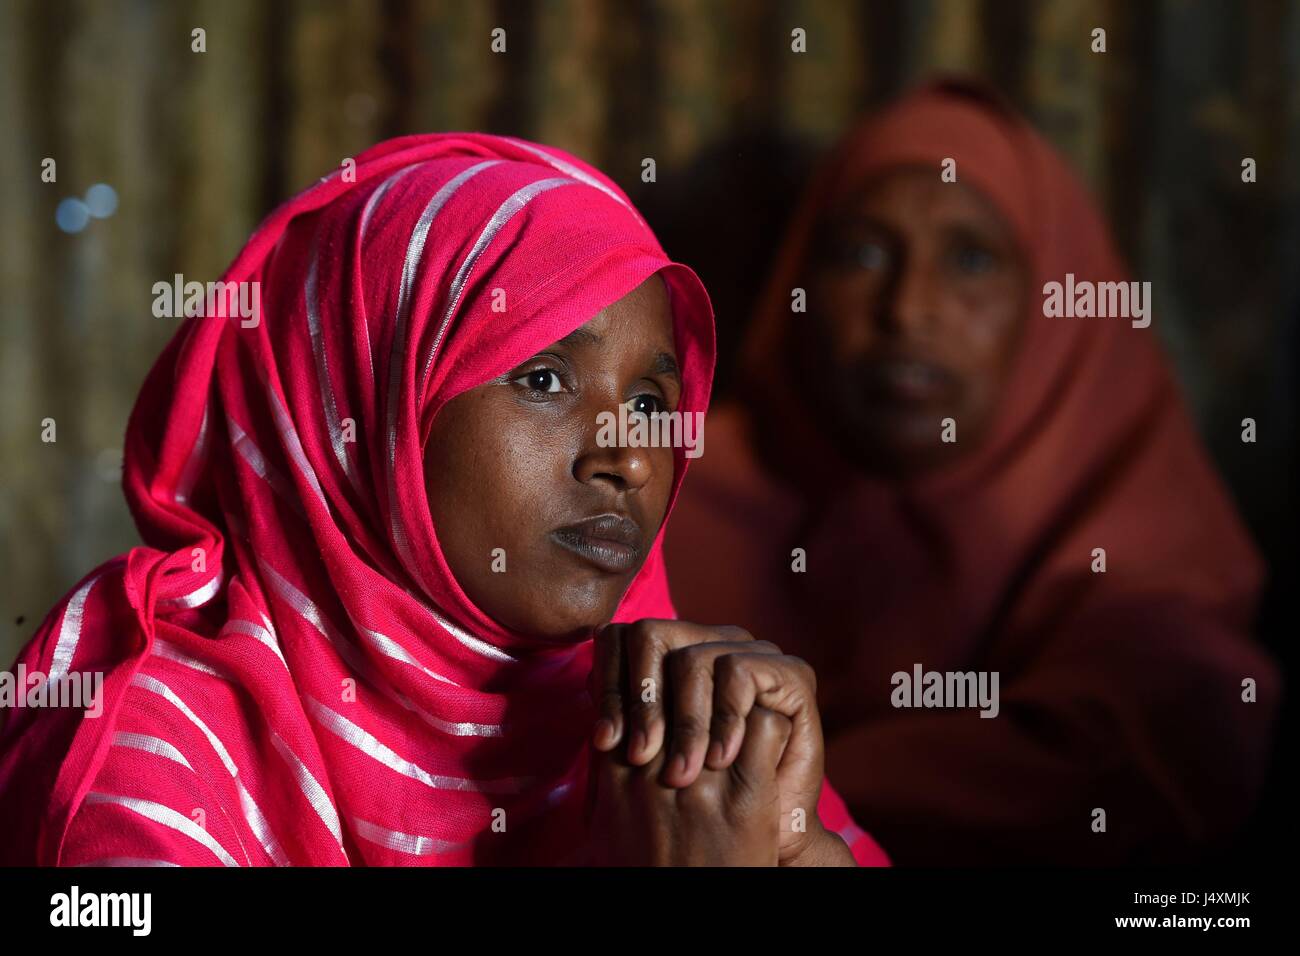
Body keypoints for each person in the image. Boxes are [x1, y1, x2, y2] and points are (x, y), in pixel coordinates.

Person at [0, 133, 888, 867]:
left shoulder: (686, 735)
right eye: (543, 378)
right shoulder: (155, 755)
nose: (630, 459)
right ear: (360, 400)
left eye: (652, 404)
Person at [664, 81, 1281, 864]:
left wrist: (781, 797)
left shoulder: (1127, 521)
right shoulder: (666, 496)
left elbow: (1168, 734)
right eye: (861, 252)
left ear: (1057, 311)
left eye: (970, 258)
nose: (908, 308)